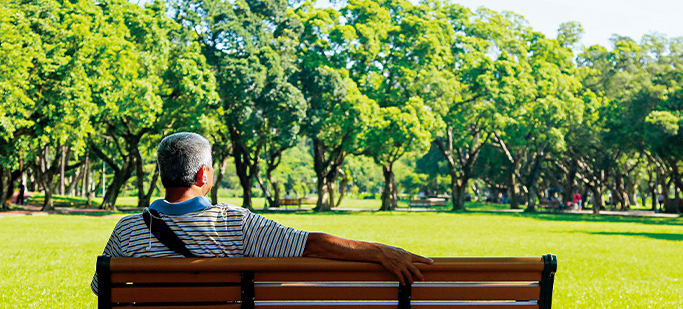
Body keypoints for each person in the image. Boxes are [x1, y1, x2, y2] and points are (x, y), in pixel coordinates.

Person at [91, 132, 432, 295]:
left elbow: (99, 289)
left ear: (163, 173)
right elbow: (311, 244)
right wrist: (381, 251)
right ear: (203, 176)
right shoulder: (236, 222)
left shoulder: (127, 230)